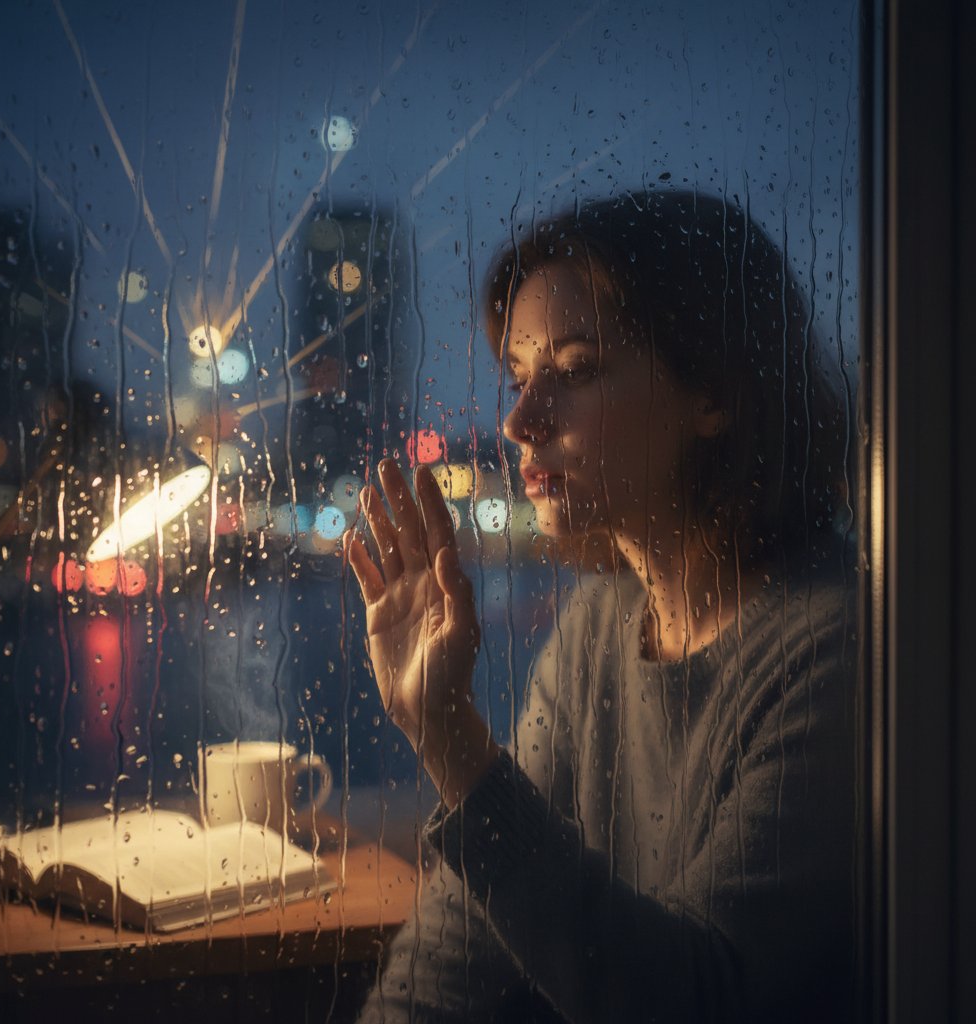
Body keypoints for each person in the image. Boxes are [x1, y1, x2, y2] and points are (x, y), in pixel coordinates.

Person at [345, 189, 856, 1022]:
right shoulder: (599, 625)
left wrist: (450, 736)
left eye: (576, 371)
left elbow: (698, 997)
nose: (519, 421)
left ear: (713, 393)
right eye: (519, 378)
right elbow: (462, 938)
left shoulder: (833, 650)